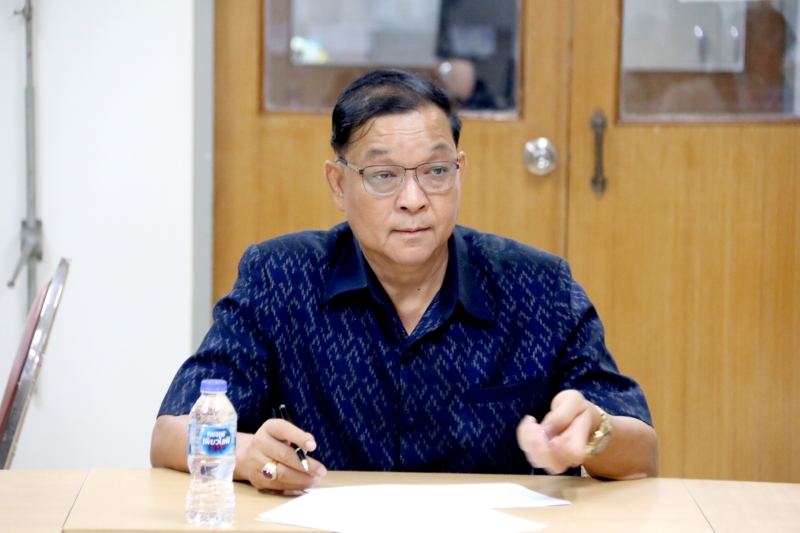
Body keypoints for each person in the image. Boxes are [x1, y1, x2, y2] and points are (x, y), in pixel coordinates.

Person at [151, 69, 658, 491]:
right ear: (338, 184)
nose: (413, 200)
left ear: (460, 171)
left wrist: (595, 433)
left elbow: (642, 455)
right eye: (384, 176)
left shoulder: (538, 286)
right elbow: (171, 433)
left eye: (435, 172)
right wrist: (243, 454)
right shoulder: (280, 278)